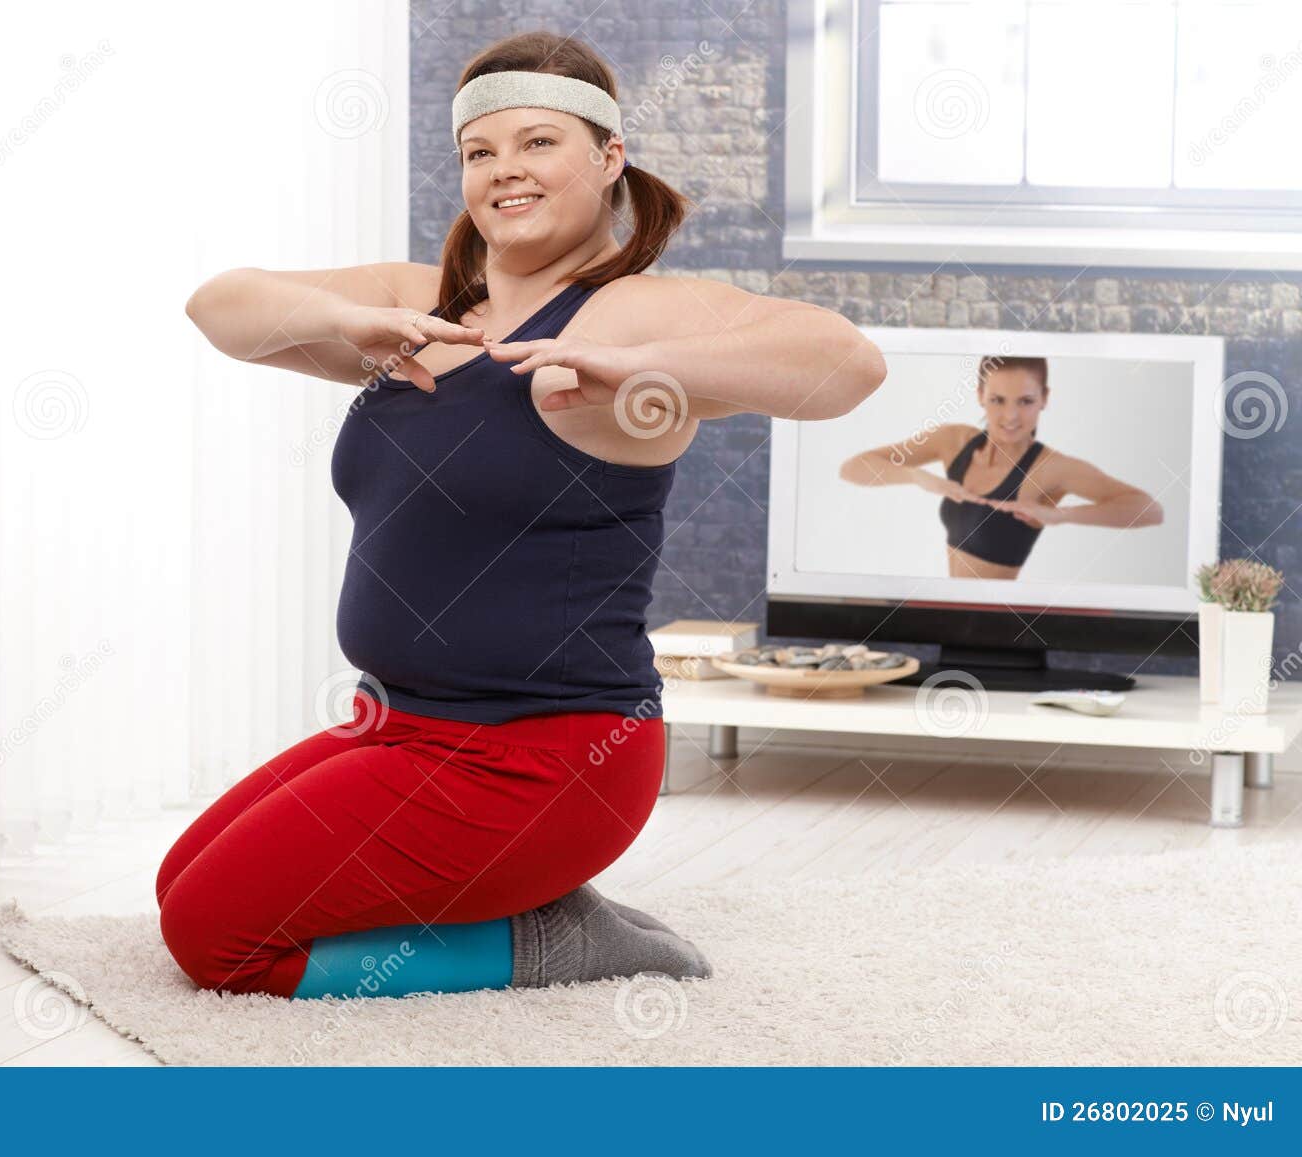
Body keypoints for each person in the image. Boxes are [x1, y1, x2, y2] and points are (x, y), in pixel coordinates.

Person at [162, 31, 886, 1000]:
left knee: (216, 939)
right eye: (480, 150)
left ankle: (556, 944)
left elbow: (844, 360)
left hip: (543, 760)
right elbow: (219, 306)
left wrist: (645, 369)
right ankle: (516, 904)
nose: (505, 170)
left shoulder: (625, 313)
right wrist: (348, 325)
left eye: (538, 142)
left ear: (607, 157)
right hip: (395, 723)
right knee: (180, 882)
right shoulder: (419, 305)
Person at [838, 355, 1162, 580]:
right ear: (980, 396)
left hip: (999, 622)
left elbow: (1149, 510)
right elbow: (853, 468)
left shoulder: (1051, 468)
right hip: (950, 612)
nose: (1010, 417)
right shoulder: (953, 441)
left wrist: (1061, 516)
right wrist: (915, 476)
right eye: (998, 400)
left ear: (1044, 399)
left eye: (1025, 401)